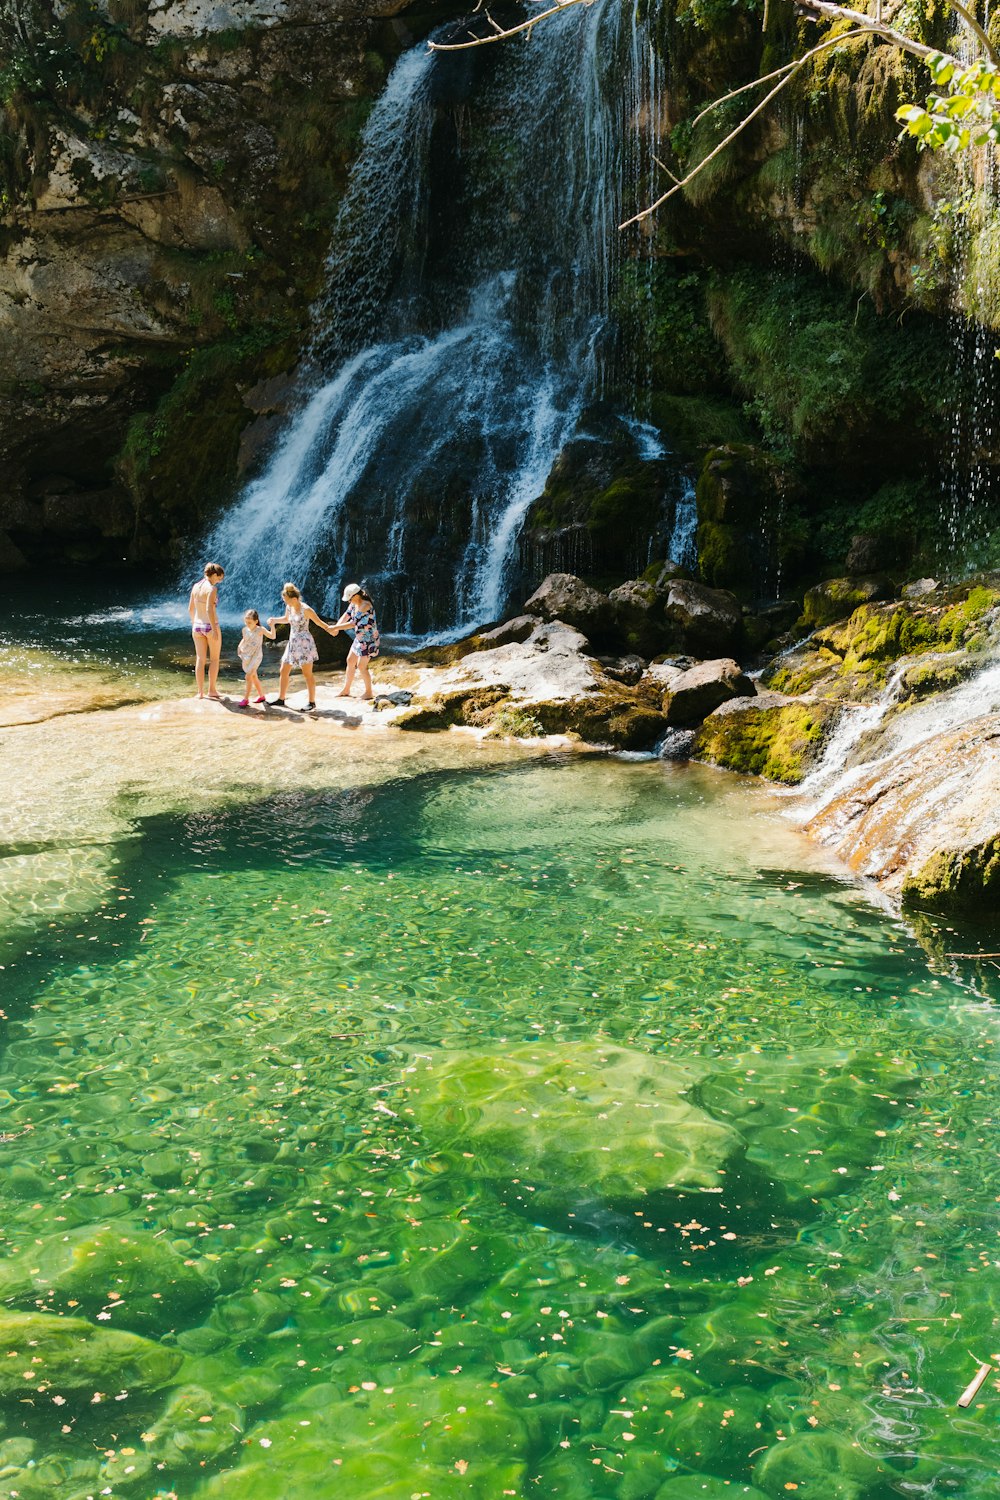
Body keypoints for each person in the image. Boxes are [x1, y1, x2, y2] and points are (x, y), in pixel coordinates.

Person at [267, 583, 337, 711]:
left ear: (294, 599)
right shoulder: (289, 607)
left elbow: (319, 623)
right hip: (293, 642)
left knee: (307, 673)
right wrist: (275, 620)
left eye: (286, 599)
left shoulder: (306, 610)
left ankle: (311, 702)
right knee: (284, 669)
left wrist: (331, 630)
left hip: (305, 644)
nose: (285, 602)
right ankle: (281, 699)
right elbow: (287, 619)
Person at [330, 583, 380, 701]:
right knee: (350, 660)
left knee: (361, 666)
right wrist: (337, 626)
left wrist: (334, 628)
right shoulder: (354, 604)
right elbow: (346, 616)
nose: (349, 601)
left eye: (350, 598)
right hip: (360, 638)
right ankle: (346, 689)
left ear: (356, 595)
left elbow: (353, 623)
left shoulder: (365, 605)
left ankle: (369, 692)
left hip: (368, 640)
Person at [188, 562, 224, 700]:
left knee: (200, 659)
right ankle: (212, 690)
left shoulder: (195, 586)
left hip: (197, 625)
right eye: (219, 578)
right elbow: (209, 609)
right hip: (210, 625)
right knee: (214, 659)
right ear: (214, 575)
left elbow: (190, 609)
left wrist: (193, 623)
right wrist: (214, 629)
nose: (219, 581)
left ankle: (200, 693)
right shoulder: (212, 588)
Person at [236, 609, 275, 707]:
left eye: (249, 622)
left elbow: (273, 636)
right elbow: (244, 639)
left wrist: (272, 626)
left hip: (256, 656)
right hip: (247, 656)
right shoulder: (244, 629)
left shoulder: (260, 629)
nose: (247, 624)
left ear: (256, 621)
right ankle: (262, 696)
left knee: (248, 676)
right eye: (246, 621)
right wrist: (239, 647)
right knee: (254, 676)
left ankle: (246, 699)